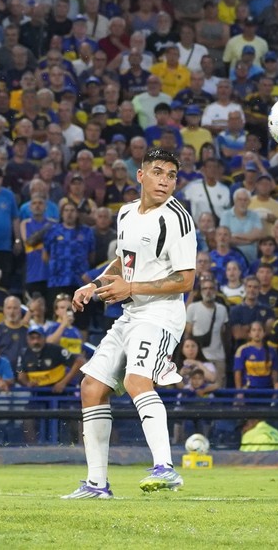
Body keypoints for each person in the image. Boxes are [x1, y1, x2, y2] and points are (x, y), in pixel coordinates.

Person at [63, 148, 197, 499]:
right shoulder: (125, 213)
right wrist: (94, 284)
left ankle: (165, 468)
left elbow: (186, 280)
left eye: (171, 175)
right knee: (91, 386)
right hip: (132, 314)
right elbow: (124, 260)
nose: (165, 181)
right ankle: (96, 484)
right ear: (140, 175)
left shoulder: (177, 219)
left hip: (161, 315)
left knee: (137, 380)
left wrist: (131, 287)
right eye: (158, 172)